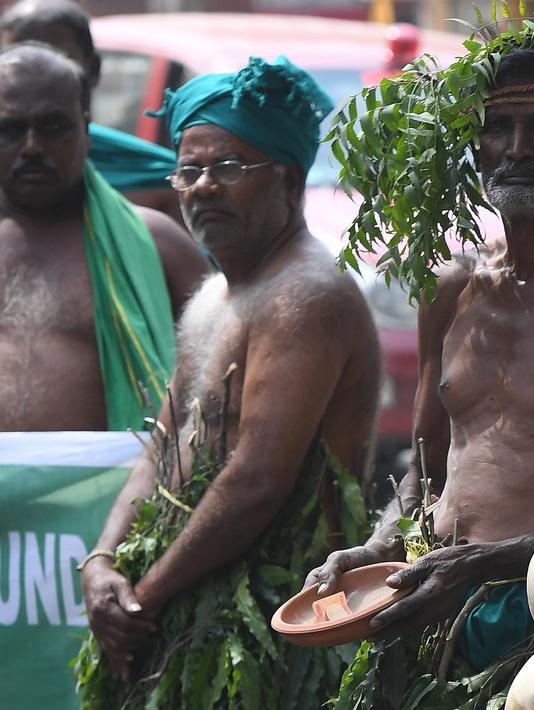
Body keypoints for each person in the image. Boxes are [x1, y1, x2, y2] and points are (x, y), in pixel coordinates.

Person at [303, 41, 534, 675]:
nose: (518, 148)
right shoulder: (451, 284)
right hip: (434, 596)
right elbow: (425, 471)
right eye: (499, 127)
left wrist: (495, 560)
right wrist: (377, 547)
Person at [76, 55, 381, 706]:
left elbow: (256, 481)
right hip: (186, 609)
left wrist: (142, 600)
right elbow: (162, 444)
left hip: (277, 628)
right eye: (189, 170)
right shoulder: (217, 292)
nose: (202, 187)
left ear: (290, 180)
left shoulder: (305, 296)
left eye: (229, 168)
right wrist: (102, 561)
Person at [0, 43, 206, 432]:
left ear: (86, 128)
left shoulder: (156, 244)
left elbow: (224, 377)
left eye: (53, 126)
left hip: (122, 491)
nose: (32, 146)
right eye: (10, 129)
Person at [0, 0, 184, 224]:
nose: (38, 75)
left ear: (93, 69)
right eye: (18, 61)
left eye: (58, 60)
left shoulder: (157, 186)